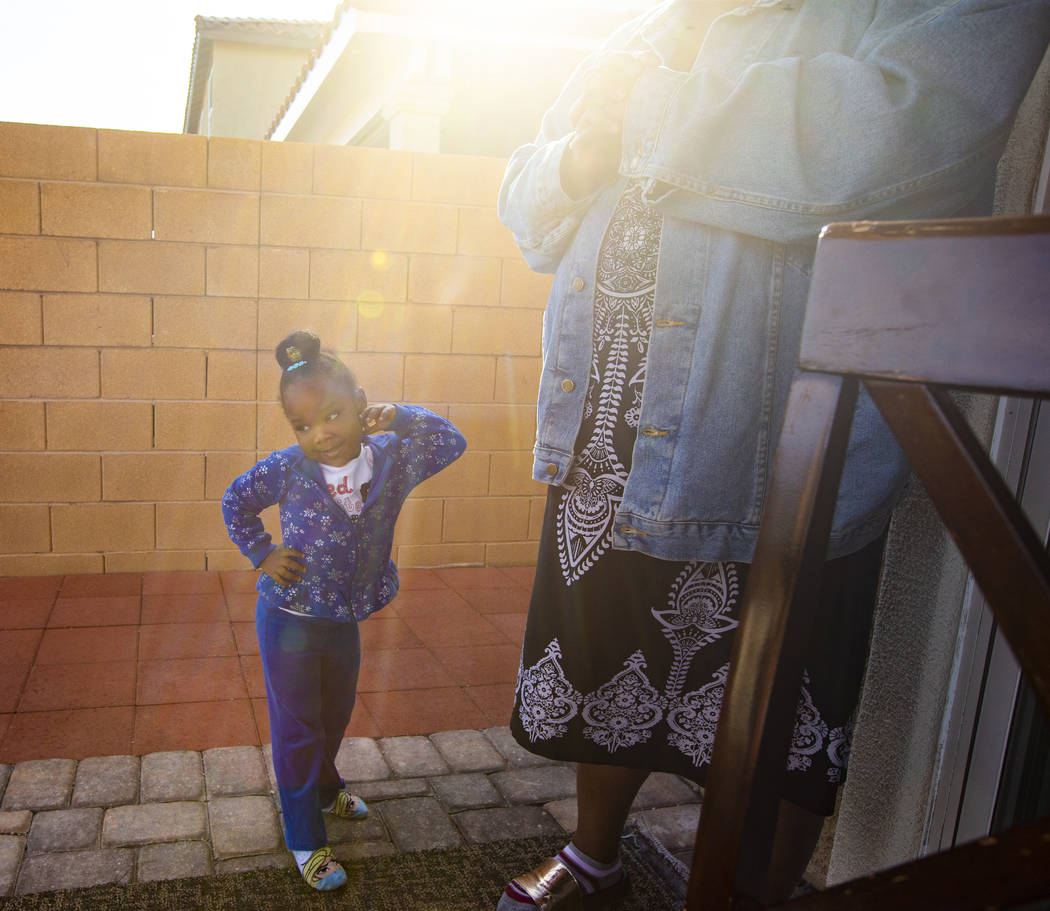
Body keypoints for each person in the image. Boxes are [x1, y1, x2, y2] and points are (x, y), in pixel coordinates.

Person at [496, 1, 1050, 908]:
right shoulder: (643, 30)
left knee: (776, 692)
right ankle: (595, 857)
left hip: (766, 446)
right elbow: (527, 197)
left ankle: (748, 895)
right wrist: (576, 159)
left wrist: (640, 121)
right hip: (610, 438)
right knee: (610, 656)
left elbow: (904, 130)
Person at [221, 330, 465, 891]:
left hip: (342, 621)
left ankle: (326, 789)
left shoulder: (393, 458)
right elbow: (236, 500)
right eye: (302, 426)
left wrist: (399, 416)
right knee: (299, 728)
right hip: (289, 622)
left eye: (332, 414)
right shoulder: (286, 468)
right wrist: (262, 552)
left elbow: (451, 441)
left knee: (336, 714)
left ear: (360, 403)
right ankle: (305, 836)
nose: (320, 434)